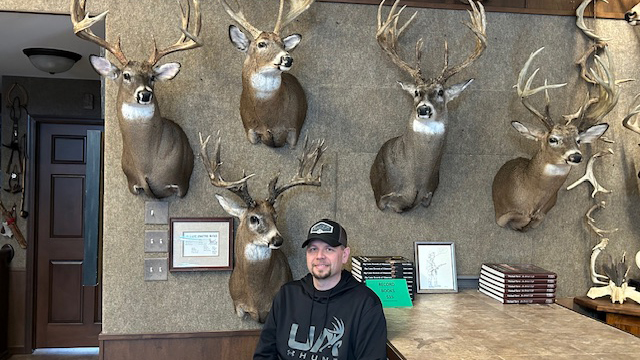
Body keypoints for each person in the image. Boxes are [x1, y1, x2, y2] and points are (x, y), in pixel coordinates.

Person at [253, 219, 388, 360]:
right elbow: (264, 355)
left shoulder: (366, 304)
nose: (319, 256)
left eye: (329, 249)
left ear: (345, 255)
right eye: (313, 249)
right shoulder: (287, 296)